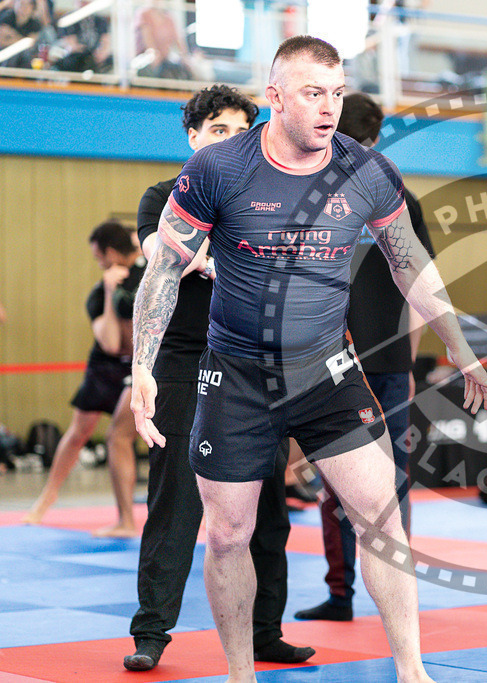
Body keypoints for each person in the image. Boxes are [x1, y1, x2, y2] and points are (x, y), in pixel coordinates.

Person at [130, 35, 487, 683]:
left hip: (326, 370)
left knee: (381, 514)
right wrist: (140, 370)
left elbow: (413, 266)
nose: (328, 107)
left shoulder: (367, 171)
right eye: (312, 93)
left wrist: (460, 345)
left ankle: (413, 670)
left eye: (337, 92)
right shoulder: (219, 169)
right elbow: (163, 271)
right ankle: (241, 672)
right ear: (274, 98)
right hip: (236, 374)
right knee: (228, 533)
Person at [124, 85, 313, 672]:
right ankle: (151, 632)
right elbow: (158, 244)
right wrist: (191, 253)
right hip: (183, 364)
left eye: (239, 131)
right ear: (194, 137)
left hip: (255, 367)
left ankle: (263, 632)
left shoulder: (267, 199)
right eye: (217, 131)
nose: (229, 141)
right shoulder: (166, 195)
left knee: (268, 509)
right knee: (175, 499)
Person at [294, 91, 434, 623]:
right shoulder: (399, 199)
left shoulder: (312, 197)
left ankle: (341, 592)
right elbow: (421, 288)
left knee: (337, 480)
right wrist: (412, 362)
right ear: (373, 140)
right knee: (389, 481)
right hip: (382, 363)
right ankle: (392, 591)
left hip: (330, 360)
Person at [23, 221, 143, 537]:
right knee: (80, 431)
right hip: (106, 365)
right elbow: (110, 344)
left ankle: (129, 518)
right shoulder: (102, 291)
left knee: (121, 437)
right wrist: (107, 292)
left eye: (99, 256)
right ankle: (46, 498)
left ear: (112, 252)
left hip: (141, 366)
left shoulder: (148, 274)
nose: (99, 262)